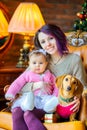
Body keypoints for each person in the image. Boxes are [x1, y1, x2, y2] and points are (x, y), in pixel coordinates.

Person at [9, 24, 87, 130]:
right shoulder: (41, 60)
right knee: (16, 110)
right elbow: (21, 83)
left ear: (58, 37)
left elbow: (83, 86)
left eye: (51, 38)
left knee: (28, 114)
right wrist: (36, 85)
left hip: (55, 103)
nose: (48, 44)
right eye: (43, 42)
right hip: (34, 101)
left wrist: (77, 98)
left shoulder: (74, 60)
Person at [5, 48, 58, 129]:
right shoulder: (27, 74)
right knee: (18, 109)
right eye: (34, 63)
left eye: (41, 63)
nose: (37, 65)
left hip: (44, 100)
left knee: (48, 103)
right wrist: (11, 93)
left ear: (46, 64)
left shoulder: (49, 75)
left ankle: (51, 105)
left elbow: (56, 86)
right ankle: (28, 105)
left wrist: (55, 97)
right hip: (29, 99)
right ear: (29, 64)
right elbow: (17, 83)